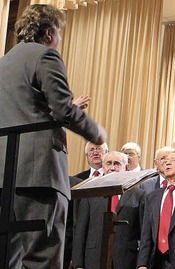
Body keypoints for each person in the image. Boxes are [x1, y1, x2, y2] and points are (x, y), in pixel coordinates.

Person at [0, 4, 106, 268]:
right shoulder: (45, 56)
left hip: (3, 176)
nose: (59, 40)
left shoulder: (4, 63)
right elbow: (61, 108)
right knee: (42, 259)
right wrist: (95, 132)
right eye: (59, 34)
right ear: (49, 33)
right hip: (38, 176)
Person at [72, 151, 146, 269]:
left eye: (117, 164)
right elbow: (80, 229)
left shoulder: (139, 195)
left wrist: (142, 263)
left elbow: (144, 232)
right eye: (108, 163)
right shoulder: (90, 192)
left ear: (126, 167)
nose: (112, 168)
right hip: (93, 258)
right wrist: (77, 263)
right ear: (103, 166)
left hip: (126, 259)